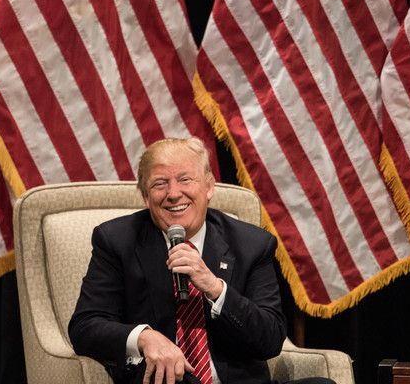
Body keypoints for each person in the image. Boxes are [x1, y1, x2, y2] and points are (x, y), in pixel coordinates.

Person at [69, 137, 335, 384]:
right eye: (160, 184)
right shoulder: (116, 241)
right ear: (146, 197)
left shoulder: (251, 244)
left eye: (185, 179)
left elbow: (270, 339)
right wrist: (145, 338)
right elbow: (85, 327)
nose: (173, 194)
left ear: (209, 187)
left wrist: (215, 288)